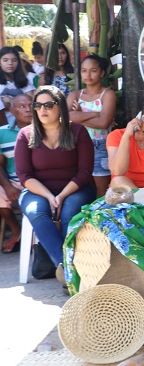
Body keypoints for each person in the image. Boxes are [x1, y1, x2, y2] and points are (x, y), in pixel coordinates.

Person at [14, 86, 95, 278]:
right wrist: (50, 196)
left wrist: (62, 195)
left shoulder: (78, 131)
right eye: (38, 105)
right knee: (36, 211)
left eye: (49, 105)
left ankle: (69, 269)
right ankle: (67, 268)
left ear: (60, 107)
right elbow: (24, 176)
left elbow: (85, 172)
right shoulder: (25, 134)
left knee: (69, 211)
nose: (43, 109)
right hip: (38, 190)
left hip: (76, 188)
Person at [66, 55, 116, 197]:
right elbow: (65, 117)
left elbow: (103, 123)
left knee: (102, 190)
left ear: (102, 73)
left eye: (93, 70)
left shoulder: (108, 94)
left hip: (100, 145)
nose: (87, 75)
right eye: (84, 70)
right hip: (76, 145)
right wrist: (95, 114)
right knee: (81, 188)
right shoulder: (75, 95)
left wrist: (78, 116)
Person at [0, 94, 32, 252]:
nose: (28, 110)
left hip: (39, 181)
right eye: (22, 106)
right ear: (11, 111)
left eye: (31, 105)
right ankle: (16, 230)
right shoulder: (2, 133)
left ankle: (35, 235)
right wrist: (8, 187)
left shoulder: (45, 129)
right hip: (13, 181)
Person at [0, 46, 36, 122]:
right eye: (5, 60)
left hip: (26, 124)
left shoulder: (24, 81)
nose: (10, 63)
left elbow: (33, 101)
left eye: (14, 60)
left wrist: (11, 101)